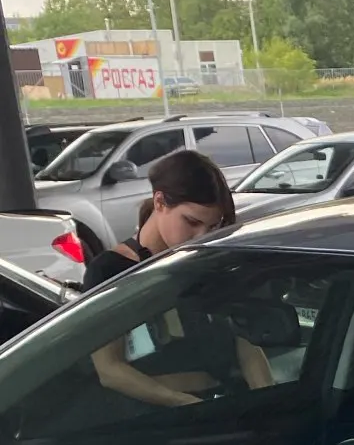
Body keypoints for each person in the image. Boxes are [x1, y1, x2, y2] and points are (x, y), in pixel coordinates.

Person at [84, 148, 270, 408]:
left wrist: (267, 399)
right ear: (160, 202)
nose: (202, 236)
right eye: (192, 222)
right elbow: (109, 370)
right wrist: (187, 405)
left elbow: (244, 341)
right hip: (163, 415)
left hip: (227, 401)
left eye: (212, 226)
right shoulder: (111, 270)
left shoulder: (204, 264)